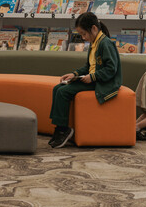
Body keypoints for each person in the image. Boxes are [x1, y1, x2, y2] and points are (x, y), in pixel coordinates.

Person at [48, 12, 122, 148]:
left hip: (102, 83)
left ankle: (64, 129)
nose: (83, 38)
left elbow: (111, 69)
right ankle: (58, 128)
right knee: (57, 88)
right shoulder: (95, 43)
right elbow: (89, 66)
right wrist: (74, 74)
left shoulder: (105, 44)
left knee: (64, 92)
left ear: (94, 28)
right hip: (92, 79)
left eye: (84, 34)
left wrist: (93, 77)